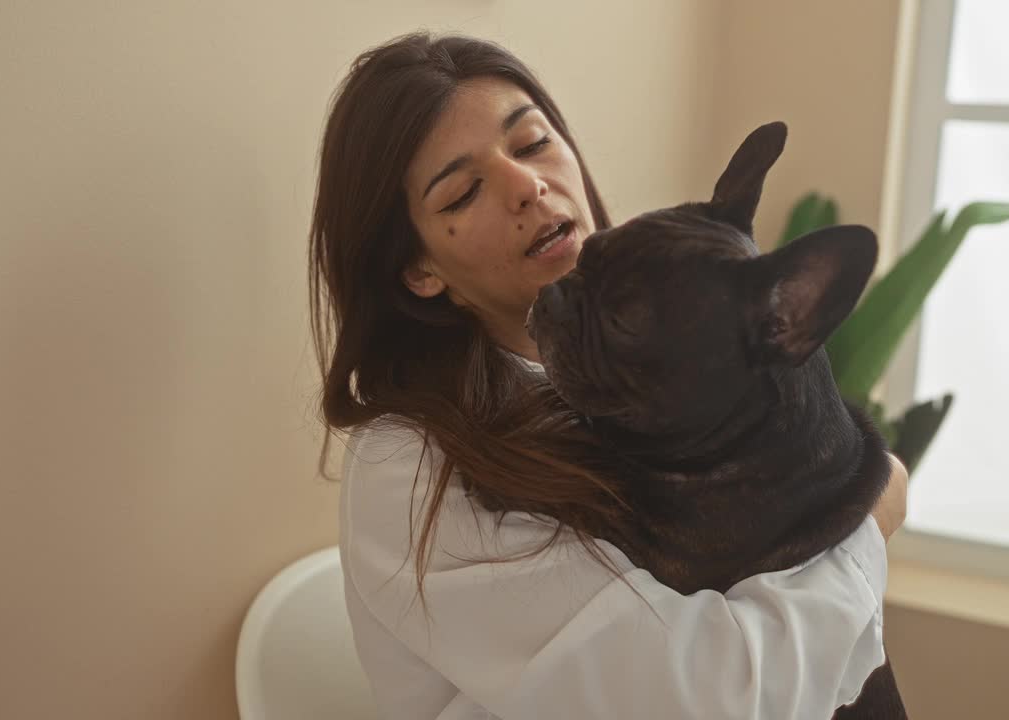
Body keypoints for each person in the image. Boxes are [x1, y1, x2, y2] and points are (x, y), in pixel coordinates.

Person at [308, 31, 910, 720]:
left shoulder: (647, 392)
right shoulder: (413, 466)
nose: (526, 186)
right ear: (418, 270)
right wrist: (869, 526)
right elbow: (701, 698)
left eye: (532, 143)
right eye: (464, 191)